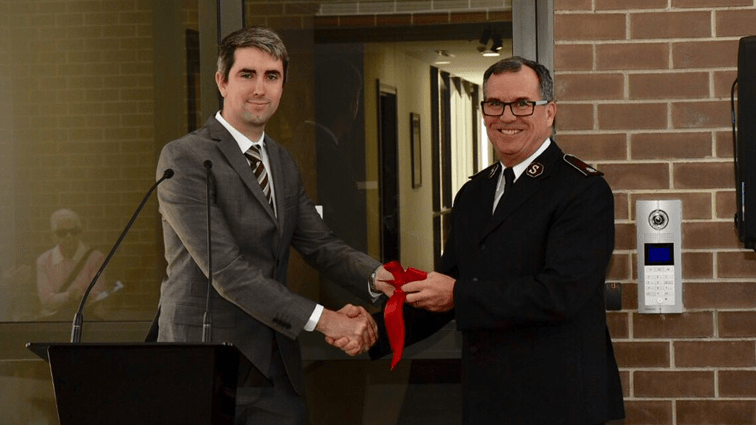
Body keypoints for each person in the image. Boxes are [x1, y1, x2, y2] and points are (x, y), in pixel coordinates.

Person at [153, 26, 394, 425]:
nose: (260, 89)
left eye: (272, 76)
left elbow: (320, 244)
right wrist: (327, 319)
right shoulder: (186, 157)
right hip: (205, 361)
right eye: (247, 75)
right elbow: (227, 272)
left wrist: (378, 276)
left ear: (283, 85)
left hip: (273, 361)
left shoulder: (281, 162)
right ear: (222, 81)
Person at [369, 56, 625, 424]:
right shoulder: (474, 193)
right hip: (488, 398)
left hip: (560, 402)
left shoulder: (582, 190)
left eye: (522, 104)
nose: (506, 117)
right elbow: (445, 292)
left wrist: (457, 294)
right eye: (494, 104)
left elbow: (560, 294)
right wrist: (370, 330)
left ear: (549, 112)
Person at [35, 208, 106, 320]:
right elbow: (46, 300)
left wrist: (82, 297)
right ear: (53, 236)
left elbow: (99, 293)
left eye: (74, 231)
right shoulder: (43, 261)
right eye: (62, 233)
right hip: (53, 320)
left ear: (80, 232)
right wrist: (69, 296)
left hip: (86, 318)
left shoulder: (95, 258)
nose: (69, 236)